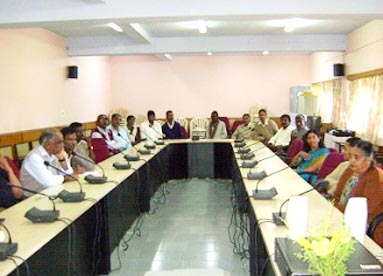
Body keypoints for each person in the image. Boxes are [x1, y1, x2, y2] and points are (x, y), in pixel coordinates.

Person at [333, 140, 383, 247]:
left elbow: (368, 209)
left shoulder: (376, 177)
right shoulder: (349, 171)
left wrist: (339, 211)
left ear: (368, 160)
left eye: (356, 157)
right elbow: (337, 195)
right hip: (340, 216)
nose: (351, 161)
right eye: (350, 156)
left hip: (364, 225)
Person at [20, 129, 76, 196]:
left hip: (54, 193)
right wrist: (64, 178)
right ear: (48, 144)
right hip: (34, 198)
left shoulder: (57, 154)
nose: (63, 145)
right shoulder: (34, 157)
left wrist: (62, 160)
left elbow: (70, 174)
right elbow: (48, 182)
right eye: (60, 142)